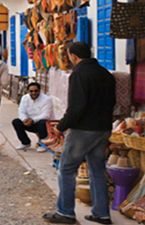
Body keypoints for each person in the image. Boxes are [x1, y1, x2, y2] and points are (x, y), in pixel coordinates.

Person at [43, 42, 116, 225]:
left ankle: (65, 212)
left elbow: (77, 107)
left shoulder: (79, 73)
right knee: (97, 170)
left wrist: (61, 126)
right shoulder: (105, 73)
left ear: (74, 56)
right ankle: (101, 214)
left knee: (66, 169)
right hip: (103, 128)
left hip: (84, 129)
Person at [13, 82, 54, 152]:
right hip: (30, 122)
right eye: (31, 91)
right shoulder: (25, 98)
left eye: (36, 91)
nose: (33, 93)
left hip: (43, 125)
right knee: (16, 121)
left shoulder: (46, 99)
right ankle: (25, 142)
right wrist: (24, 119)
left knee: (42, 122)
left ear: (39, 91)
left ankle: (42, 144)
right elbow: (21, 111)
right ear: (28, 91)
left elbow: (46, 115)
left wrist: (33, 120)